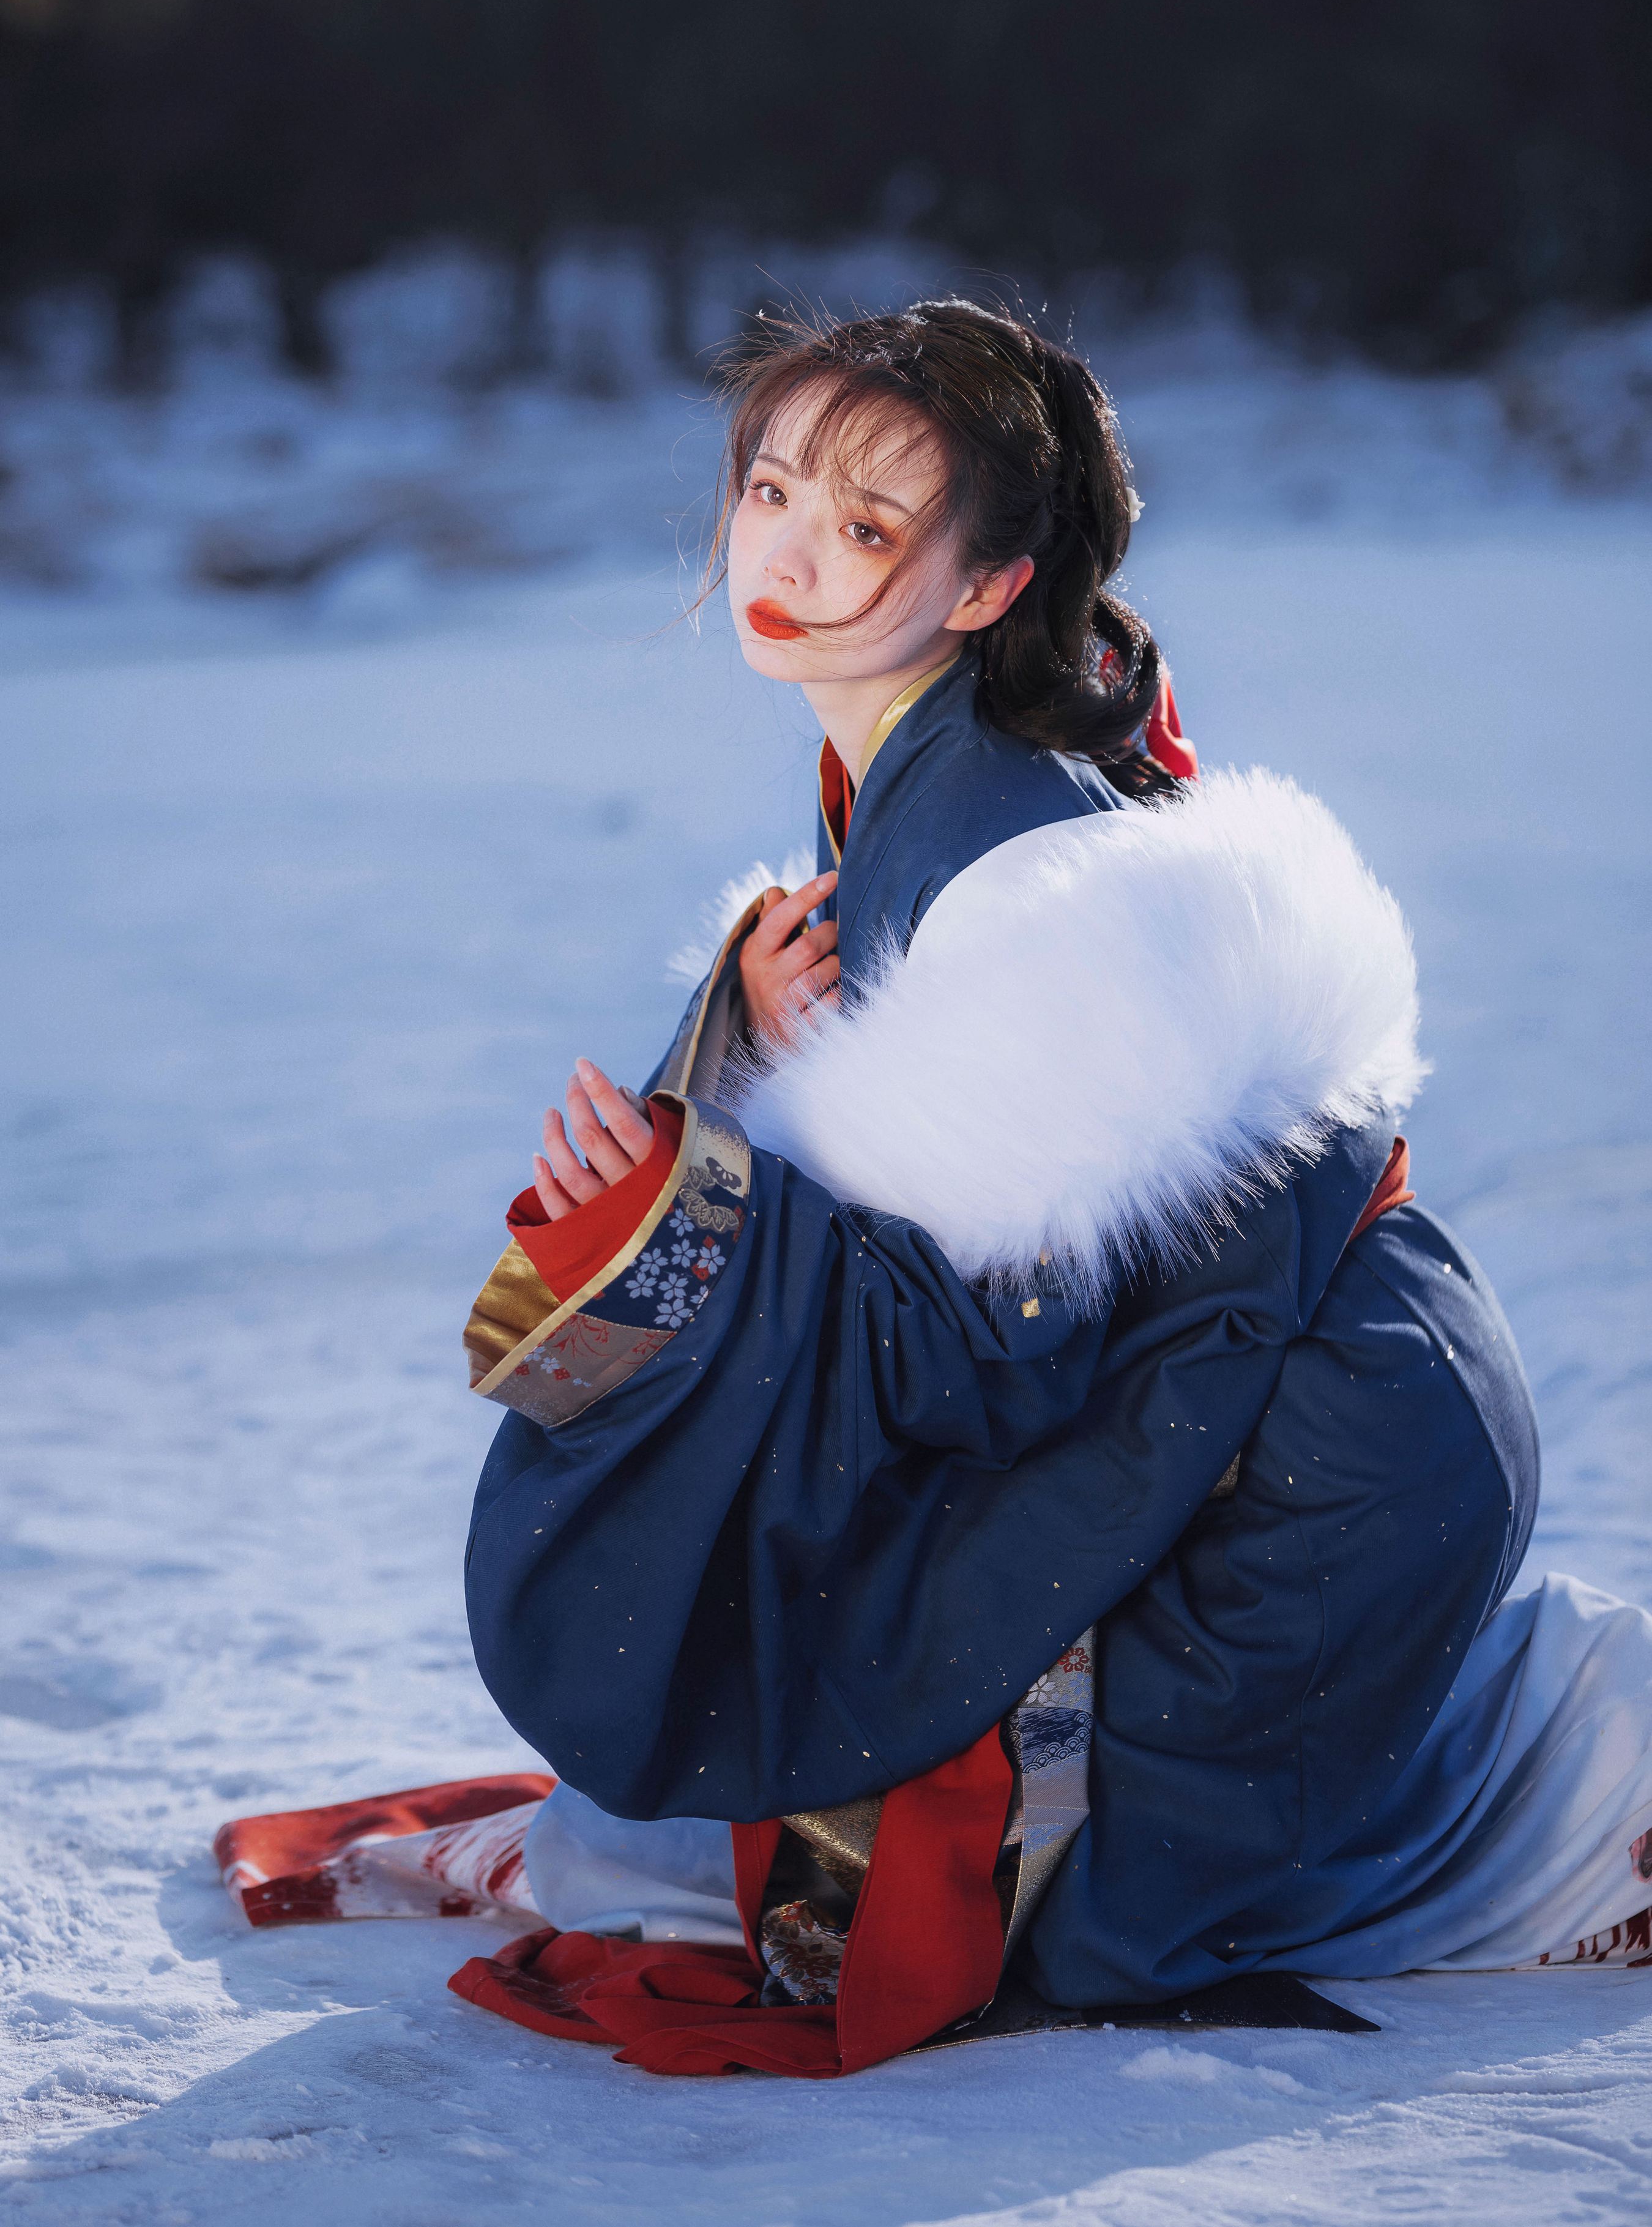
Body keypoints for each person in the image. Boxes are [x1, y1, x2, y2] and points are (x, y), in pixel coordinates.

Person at [221, 301, 1652, 2078]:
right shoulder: (921, 774)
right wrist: (744, 1044)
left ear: (984, 586)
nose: (789, 554)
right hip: (1279, 1398)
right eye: (768, 488)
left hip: (1303, 1480)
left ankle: (1580, 1818)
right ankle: (1556, 1745)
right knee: (778, 1786)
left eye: (870, 526)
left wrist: (694, 1193)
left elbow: (982, 1360)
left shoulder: (1003, 857)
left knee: (983, 1898)